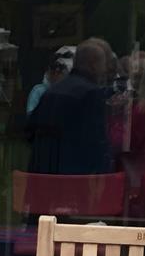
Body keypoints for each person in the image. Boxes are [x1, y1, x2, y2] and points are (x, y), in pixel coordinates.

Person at [26, 38, 113, 175]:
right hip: (73, 175)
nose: (105, 69)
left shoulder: (51, 91)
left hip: (42, 172)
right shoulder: (91, 93)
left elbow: (30, 129)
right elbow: (96, 141)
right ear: (93, 65)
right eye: (103, 64)